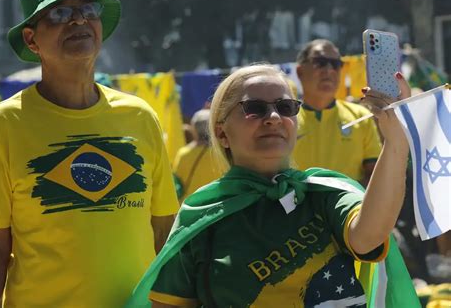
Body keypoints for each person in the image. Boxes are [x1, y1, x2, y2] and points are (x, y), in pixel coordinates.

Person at [127, 64, 420, 307]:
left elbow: (368, 236)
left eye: (285, 106)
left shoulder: (324, 193)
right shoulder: (200, 216)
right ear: (222, 133)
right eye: (254, 108)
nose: (274, 118)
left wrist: (395, 140)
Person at [0, 0, 179, 307]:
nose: (78, 21)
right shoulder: (1, 126)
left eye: (88, 11)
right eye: (59, 13)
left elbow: (164, 232)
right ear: (31, 40)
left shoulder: (140, 117)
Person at [293, 39, 382, 185]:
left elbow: (376, 176)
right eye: (320, 62)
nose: (329, 70)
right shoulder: (284, 119)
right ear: (300, 71)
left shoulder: (361, 117)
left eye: (336, 64)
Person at [173, 109, 223, 203]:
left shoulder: (183, 154)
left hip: (189, 207)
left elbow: (176, 184)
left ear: (194, 129)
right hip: (214, 206)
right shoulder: (221, 154)